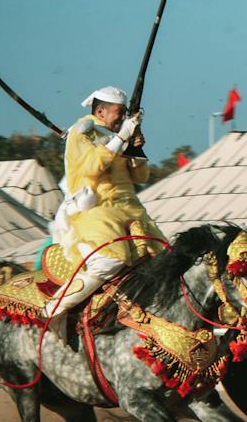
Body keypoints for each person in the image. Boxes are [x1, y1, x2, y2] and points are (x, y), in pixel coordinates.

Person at [44, 86, 167, 330]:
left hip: (132, 208)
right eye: (119, 112)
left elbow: (141, 176)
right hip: (97, 209)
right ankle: (56, 308)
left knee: (165, 260)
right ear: (100, 111)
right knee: (110, 261)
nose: (123, 118)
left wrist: (136, 148)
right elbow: (91, 167)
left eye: (125, 114)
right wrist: (121, 138)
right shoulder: (83, 131)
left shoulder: (118, 133)